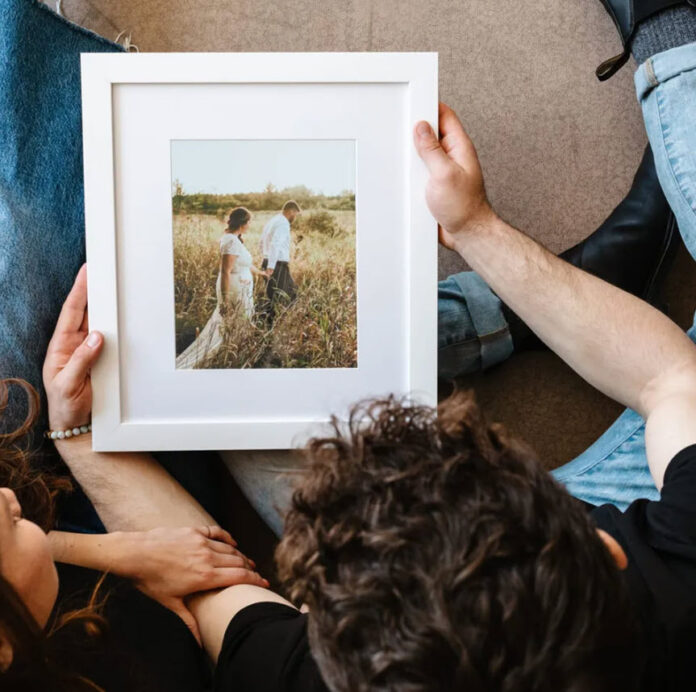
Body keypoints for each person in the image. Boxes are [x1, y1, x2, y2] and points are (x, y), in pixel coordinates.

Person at [0, 377, 269, 690]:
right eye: (12, 525)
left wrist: (120, 553)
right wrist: (78, 439)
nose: (7, 496)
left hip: (88, 547)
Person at [176, 207, 268, 369]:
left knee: (239, 323)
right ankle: (223, 359)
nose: (250, 225)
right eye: (249, 222)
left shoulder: (236, 239)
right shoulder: (231, 241)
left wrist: (260, 273)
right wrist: (225, 301)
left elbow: (245, 263)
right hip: (234, 291)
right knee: (232, 323)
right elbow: (225, 271)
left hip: (241, 289)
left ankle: (233, 356)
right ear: (243, 223)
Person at [263, 200, 302, 322]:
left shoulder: (273, 220)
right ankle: (272, 326)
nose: (295, 217)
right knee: (281, 296)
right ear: (291, 211)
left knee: (283, 294)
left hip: (270, 261)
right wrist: (271, 266)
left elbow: (261, 241)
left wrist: (266, 259)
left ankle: (272, 323)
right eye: (295, 214)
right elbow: (275, 244)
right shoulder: (283, 223)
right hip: (277, 265)